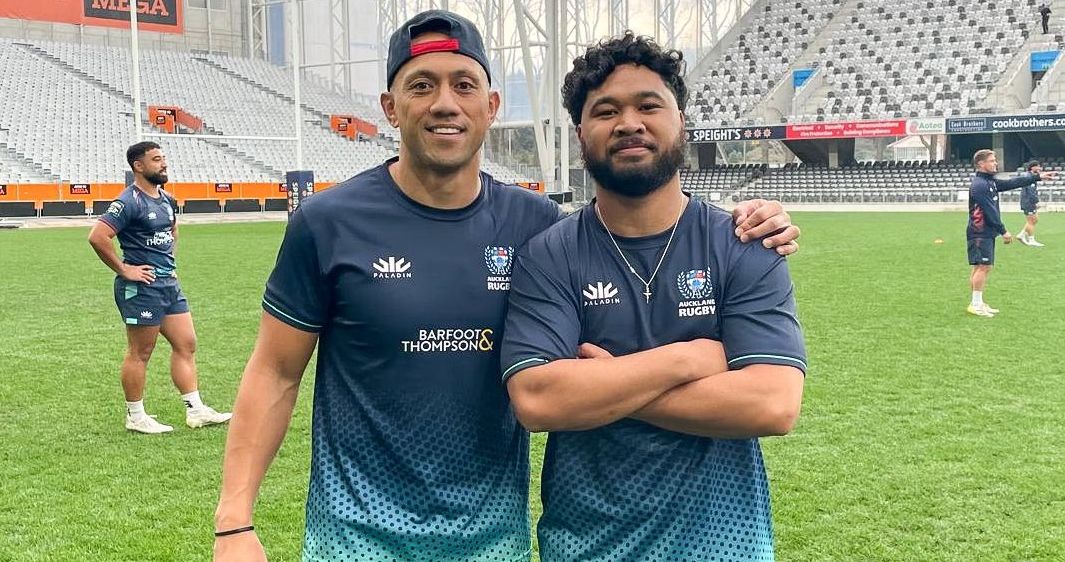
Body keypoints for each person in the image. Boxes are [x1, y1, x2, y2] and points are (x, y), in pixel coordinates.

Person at [212, 11, 800, 562]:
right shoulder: (328, 222)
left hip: (494, 537)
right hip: (355, 535)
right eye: (422, 86)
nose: (445, 103)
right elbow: (275, 371)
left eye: (464, 85)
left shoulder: (534, 225)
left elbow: (770, 400)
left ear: (491, 105)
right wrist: (234, 520)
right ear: (390, 107)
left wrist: (751, 220)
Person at [500, 33, 806, 561]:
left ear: (680, 121)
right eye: (606, 111)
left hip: (722, 547)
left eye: (648, 105)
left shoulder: (744, 242)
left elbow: (772, 404)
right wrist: (689, 358)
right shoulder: (550, 254)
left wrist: (607, 385)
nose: (629, 123)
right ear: (581, 133)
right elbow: (539, 400)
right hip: (586, 547)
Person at [87, 142, 232, 433]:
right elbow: (98, 236)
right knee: (140, 351)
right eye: (156, 159)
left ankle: (195, 410)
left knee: (186, 344)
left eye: (163, 158)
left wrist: (170, 263)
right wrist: (125, 269)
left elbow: (173, 231)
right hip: (142, 288)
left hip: (168, 284)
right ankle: (135, 416)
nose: (163, 164)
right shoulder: (128, 202)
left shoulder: (167, 199)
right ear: (138, 166)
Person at [966, 149, 1053, 317]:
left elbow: (1013, 182)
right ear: (981, 164)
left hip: (984, 232)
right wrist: (1003, 231)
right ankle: (975, 304)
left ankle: (978, 302)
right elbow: (989, 211)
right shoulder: (980, 185)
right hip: (980, 232)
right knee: (984, 267)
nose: (995, 163)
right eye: (992, 160)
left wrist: (1037, 177)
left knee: (981, 267)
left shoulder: (989, 181)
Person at [1017, 160, 1045, 247]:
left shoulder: (1031, 176)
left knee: (1035, 219)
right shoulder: (1029, 177)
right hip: (1028, 202)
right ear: (1032, 167)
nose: (1039, 168)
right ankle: (1031, 240)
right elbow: (1031, 191)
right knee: (1031, 221)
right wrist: (1036, 202)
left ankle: (1021, 234)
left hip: (1028, 201)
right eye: (1038, 166)